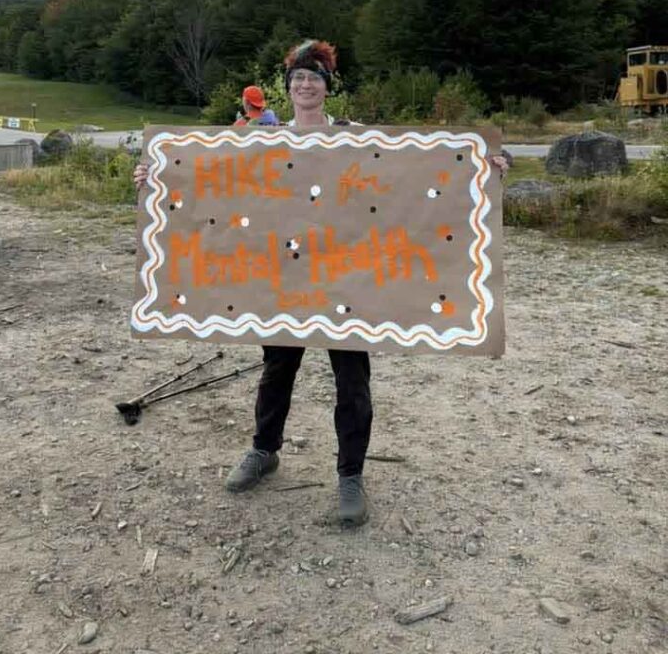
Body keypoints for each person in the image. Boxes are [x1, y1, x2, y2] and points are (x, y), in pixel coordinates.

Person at [134, 42, 508, 527]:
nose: (305, 85)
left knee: (352, 379)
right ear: (288, 88)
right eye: (298, 79)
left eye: (314, 78)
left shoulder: (353, 136)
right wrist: (155, 175)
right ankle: (264, 450)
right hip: (284, 278)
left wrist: (484, 166)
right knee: (277, 369)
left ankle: (350, 474)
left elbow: (409, 177)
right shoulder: (263, 140)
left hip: (345, 280)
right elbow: (215, 179)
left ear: (327, 87)